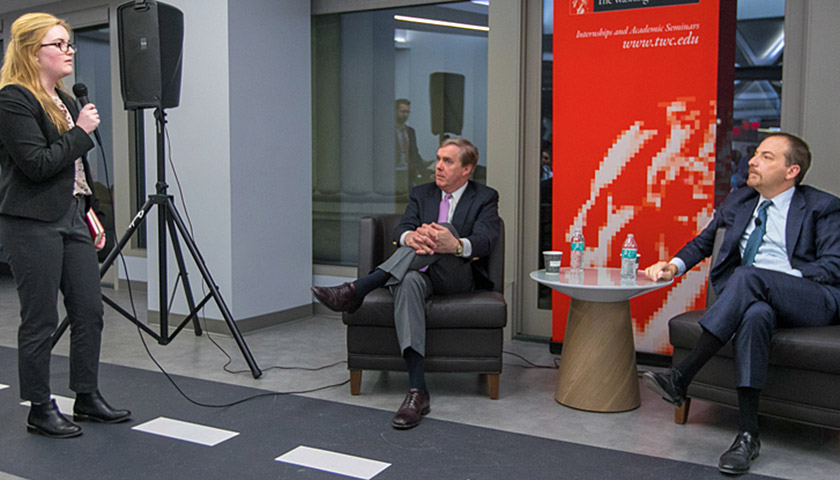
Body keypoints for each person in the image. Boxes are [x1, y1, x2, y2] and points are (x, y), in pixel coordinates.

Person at [642, 133, 840, 474]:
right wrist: (671, 265)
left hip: (811, 298)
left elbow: (833, 265)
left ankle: (682, 375)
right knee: (755, 314)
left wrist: (779, 281)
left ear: (791, 170)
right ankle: (747, 436)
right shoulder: (739, 201)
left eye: (766, 157)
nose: (752, 161)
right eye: (755, 155)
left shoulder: (822, 206)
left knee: (750, 276)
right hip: (756, 297)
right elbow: (703, 243)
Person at [0, 12, 131, 438]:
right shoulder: (13, 100)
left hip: (72, 215)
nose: (69, 50)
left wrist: (89, 208)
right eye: (59, 44)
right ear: (31, 52)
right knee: (39, 319)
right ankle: (40, 407)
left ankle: (87, 396)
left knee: (89, 311)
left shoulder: (66, 99)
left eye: (69, 43)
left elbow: (74, 167)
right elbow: (36, 166)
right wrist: (81, 131)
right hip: (32, 221)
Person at [313, 137, 500, 429]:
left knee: (443, 230)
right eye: (438, 159)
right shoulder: (421, 194)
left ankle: (357, 289)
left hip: (457, 276)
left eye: (447, 161)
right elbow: (402, 227)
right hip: (420, 273)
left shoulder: (485, 197)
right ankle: (417, 391)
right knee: (409, 279)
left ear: (467, 169)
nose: (438, 166)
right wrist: (410, 237)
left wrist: (454, 244)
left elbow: (487, 239)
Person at [394, 98, 431, 188]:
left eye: (408, 112)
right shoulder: (385, 131)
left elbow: (414, 154)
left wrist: (425, 173)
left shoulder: (410, 131)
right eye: (403, 112)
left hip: (408, 173)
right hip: (394, 173)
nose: (405, 115)